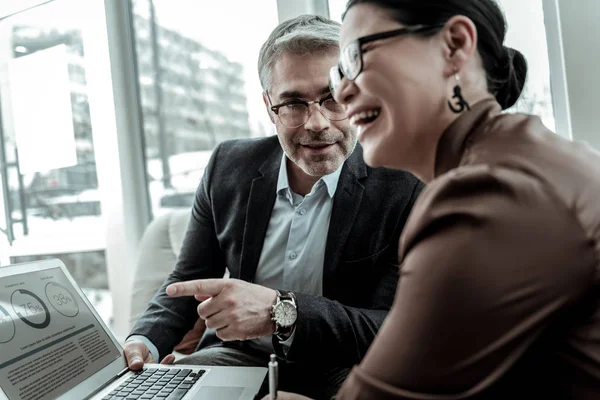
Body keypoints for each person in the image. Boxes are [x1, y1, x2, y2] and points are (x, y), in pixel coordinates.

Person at [267, 0, 600, 399]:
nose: (344, 90)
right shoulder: (529, 156)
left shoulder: (488, 196)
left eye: (355, 58)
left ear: (455, 46)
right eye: (342, 73)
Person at [125, 14, 423, 399]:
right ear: (269, 107)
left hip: (346, 365)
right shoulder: (227, 166)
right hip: (240, 357)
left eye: (332, 97)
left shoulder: (404, 182)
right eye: (294, 103)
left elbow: (393, 328)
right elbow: (187, 280)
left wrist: (280, 310)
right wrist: (144, 341)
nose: (317, 122)